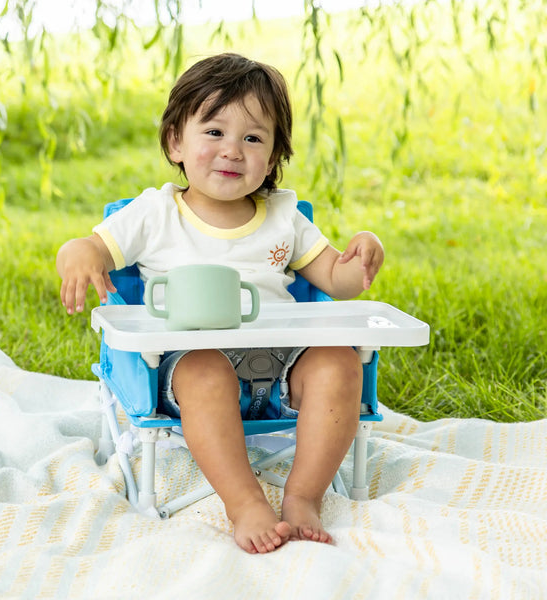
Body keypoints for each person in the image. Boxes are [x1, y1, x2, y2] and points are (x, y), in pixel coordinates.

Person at [57, 53, 384, 554]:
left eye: (253, 138)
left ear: (273, 158)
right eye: (214, 132)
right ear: (176, 142)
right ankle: (245, 502)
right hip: (187, 367)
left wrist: (359, 254)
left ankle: (302, 497)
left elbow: (336, 279)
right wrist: (77, 256)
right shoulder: (155, 213)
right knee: (204, 372)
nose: (232, 150)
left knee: (339, 361)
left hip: (282, 363)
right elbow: (90, 247)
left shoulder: (284, 218)